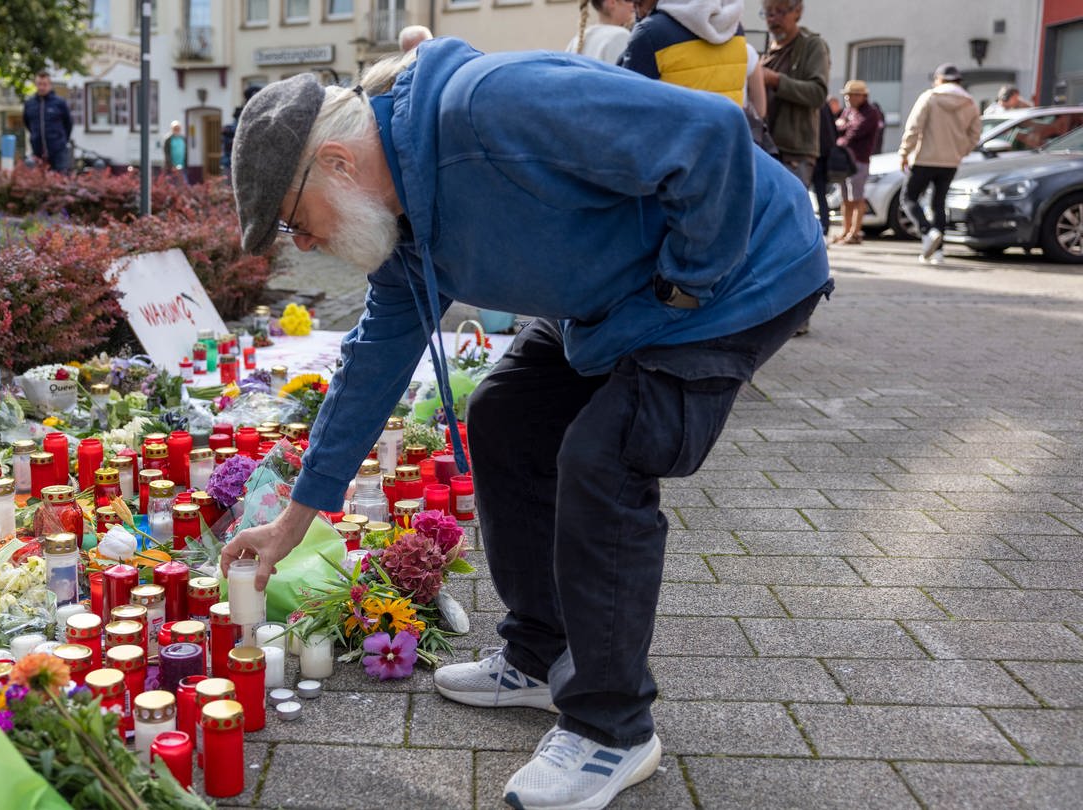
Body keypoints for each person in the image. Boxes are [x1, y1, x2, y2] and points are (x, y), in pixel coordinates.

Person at [225, 38, 830, 809]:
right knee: (505, 414)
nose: (304, 244)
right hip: (621, 303)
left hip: (738, 274)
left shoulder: (491, 107)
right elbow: (367, 372)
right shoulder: (404, 227)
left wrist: (683, 288)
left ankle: (612, 730)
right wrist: (291, 522)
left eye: (292, 221)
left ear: (338, 164)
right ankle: (540, 654)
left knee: (604, 458)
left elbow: (709, 132)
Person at [899, 63, 982, 264]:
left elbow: (913, 127)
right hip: (950, 162)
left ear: (939, 79)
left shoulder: (930, 97)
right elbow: (975, 134)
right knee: (939, 203)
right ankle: (938, 252)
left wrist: (904, 152)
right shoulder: (970, 102)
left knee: (908, 198)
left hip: (925, 158)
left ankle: (927, 232)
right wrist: (961, 151)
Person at [619, 0, 747, 105]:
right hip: (727, 134)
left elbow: (629, 104)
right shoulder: (733, 28)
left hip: (673, 135)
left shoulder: (650, 33)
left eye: (638, 4)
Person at [760, 0, 829, 187]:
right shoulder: (764, 51)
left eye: (780, 12)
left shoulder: (812, 46)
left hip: (793, 152)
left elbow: (818, 94)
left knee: (787, 212)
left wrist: (775, 80)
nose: (773, 19)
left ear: (797, 12)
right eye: (768, 13)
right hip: (763, 147)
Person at [833, 79, 883, 244]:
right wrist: (843, 127)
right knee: (845, 198)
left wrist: (843, 128)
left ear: (862, 96)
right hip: (844, 161)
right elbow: (837, 128)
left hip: (859, 161)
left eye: (851, 95)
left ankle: (855, 232)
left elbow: (855, 132)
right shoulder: (848, 112)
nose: (847, 98)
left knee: (857, 198)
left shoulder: (871, 113)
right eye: (846, 95)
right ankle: (846, 230)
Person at [24, 72, 74, 172]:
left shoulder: (59, 103)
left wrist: (62, 140)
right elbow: (27, 123)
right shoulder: (30, 104)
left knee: (61, 181)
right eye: (39, 84)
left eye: (44, 84)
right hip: (38, 151)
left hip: (58, 151)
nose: (42, 87)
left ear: (50, 85)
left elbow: (68, 123)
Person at [565, 0, 634, 65]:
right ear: (611, 2)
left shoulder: (579, 37)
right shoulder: (620, 35)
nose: (633, 5)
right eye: (629, 0)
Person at [810, 102, 838, 237]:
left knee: (805, 192)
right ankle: (824, 226)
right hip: (822, 156)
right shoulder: (825, 105)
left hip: (812, 155)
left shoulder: (811, 103)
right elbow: (833, 132)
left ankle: (822, 226)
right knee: (820, 195)